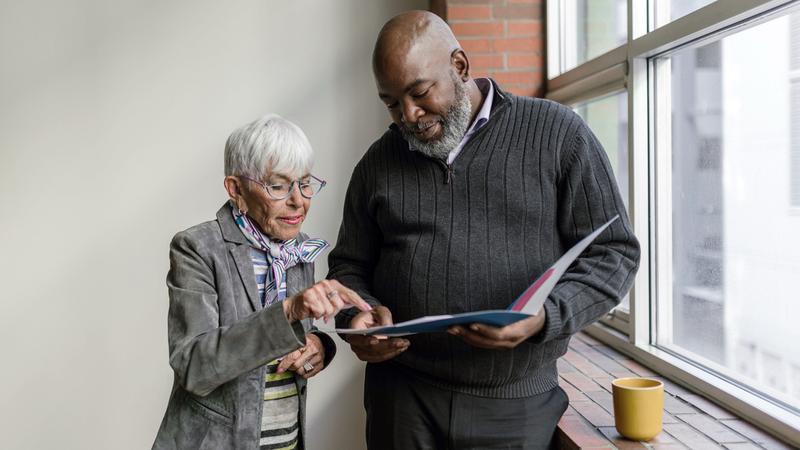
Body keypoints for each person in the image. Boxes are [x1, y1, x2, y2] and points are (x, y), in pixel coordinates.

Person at [328, 10, 641, 450]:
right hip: (401, 398)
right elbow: (348, 266)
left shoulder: (557, 134)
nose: (409, 115)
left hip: (515, 404)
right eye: (392, 103)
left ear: (459, 65)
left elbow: (615, 253)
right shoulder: (377, 163)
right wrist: (357, 318)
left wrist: (546, 318)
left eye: (419, 93)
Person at [152, 114, 372, 450]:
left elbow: (297, 336)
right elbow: (194, 366)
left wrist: (320, 348)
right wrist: (287, 311)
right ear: (236, 189)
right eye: (279, 186)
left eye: (305, 182)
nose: (298, 200)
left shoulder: (299, 250)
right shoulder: (198, 248)